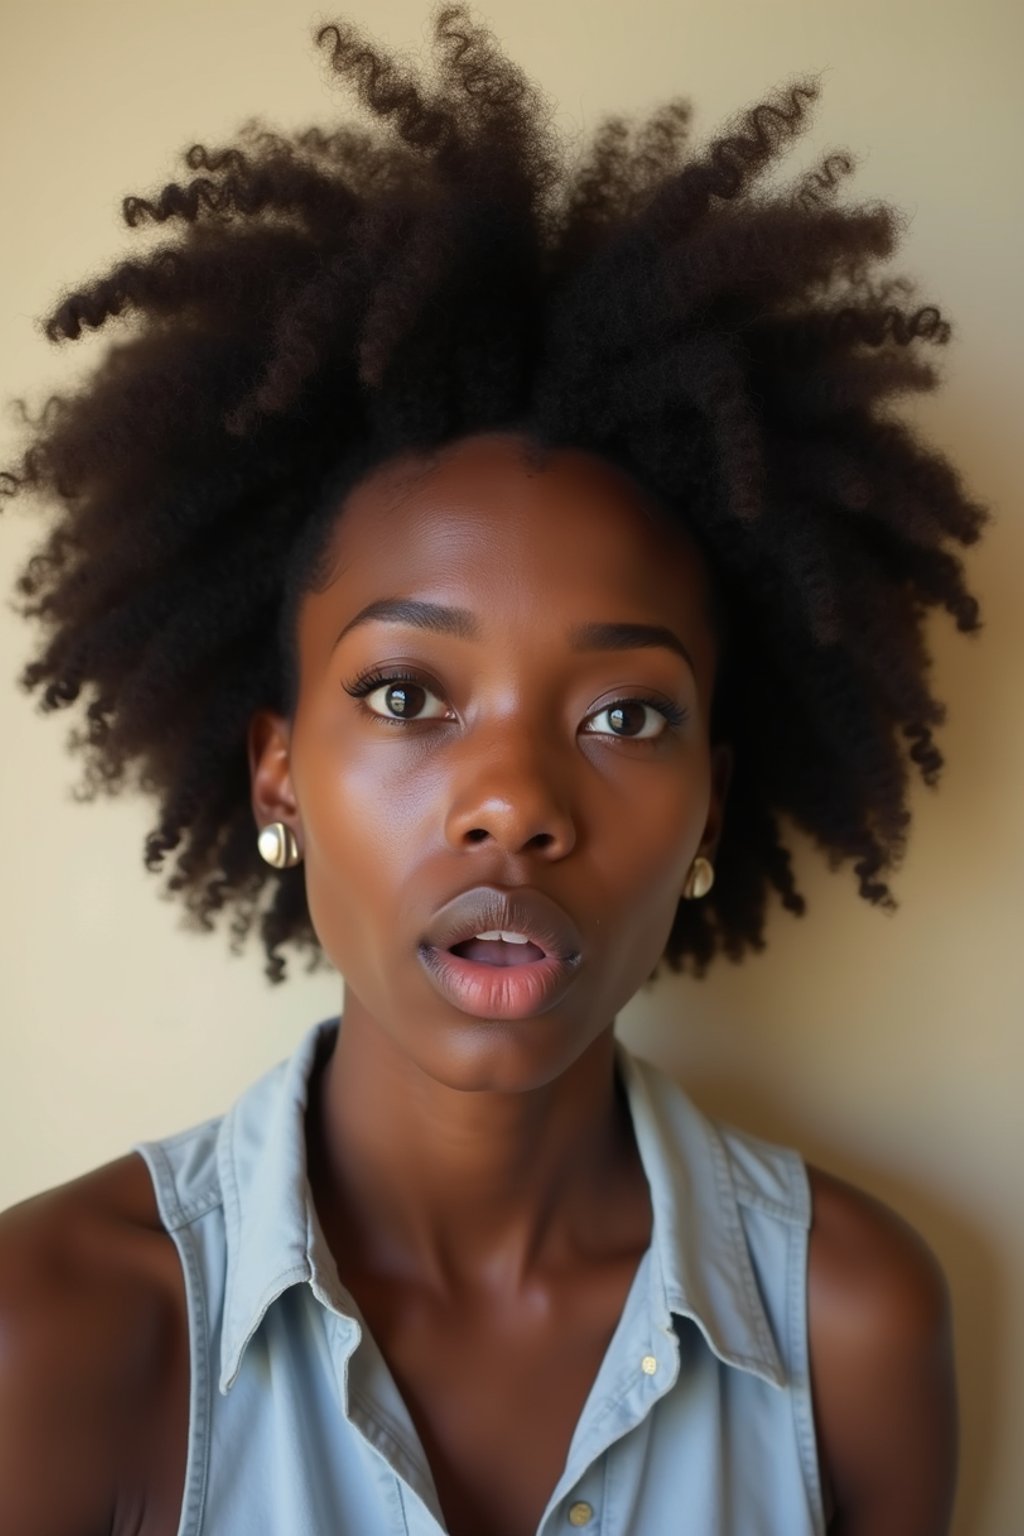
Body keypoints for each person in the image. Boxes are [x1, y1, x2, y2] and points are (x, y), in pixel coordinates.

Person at [0, 6, 986, 1533]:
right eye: (407, 691)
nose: (517, 801)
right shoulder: (58, 1333)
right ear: (276, 776)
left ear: (712, 804)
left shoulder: (851, 1328)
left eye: (624, 716)